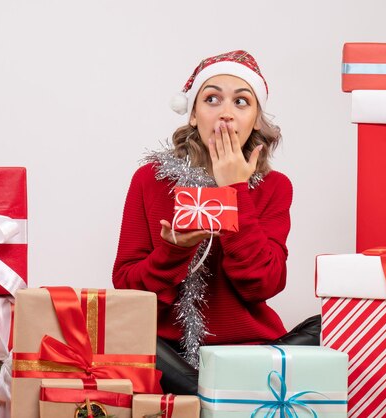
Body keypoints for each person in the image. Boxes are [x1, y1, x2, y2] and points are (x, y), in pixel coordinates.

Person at [112, 50, 320, 394]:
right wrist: (174, 251)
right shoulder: (150, 180)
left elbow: (264, 284)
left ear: (255, 119)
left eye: (241, 102)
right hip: (170, 353)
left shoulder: (274, 186)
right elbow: (128, 290)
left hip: (248, 352)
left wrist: (235, 189)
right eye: (212, 99)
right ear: (193, 114)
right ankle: (224, 394)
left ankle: (209, 394)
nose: (226, 113)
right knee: (116, 335)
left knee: (331, 325)